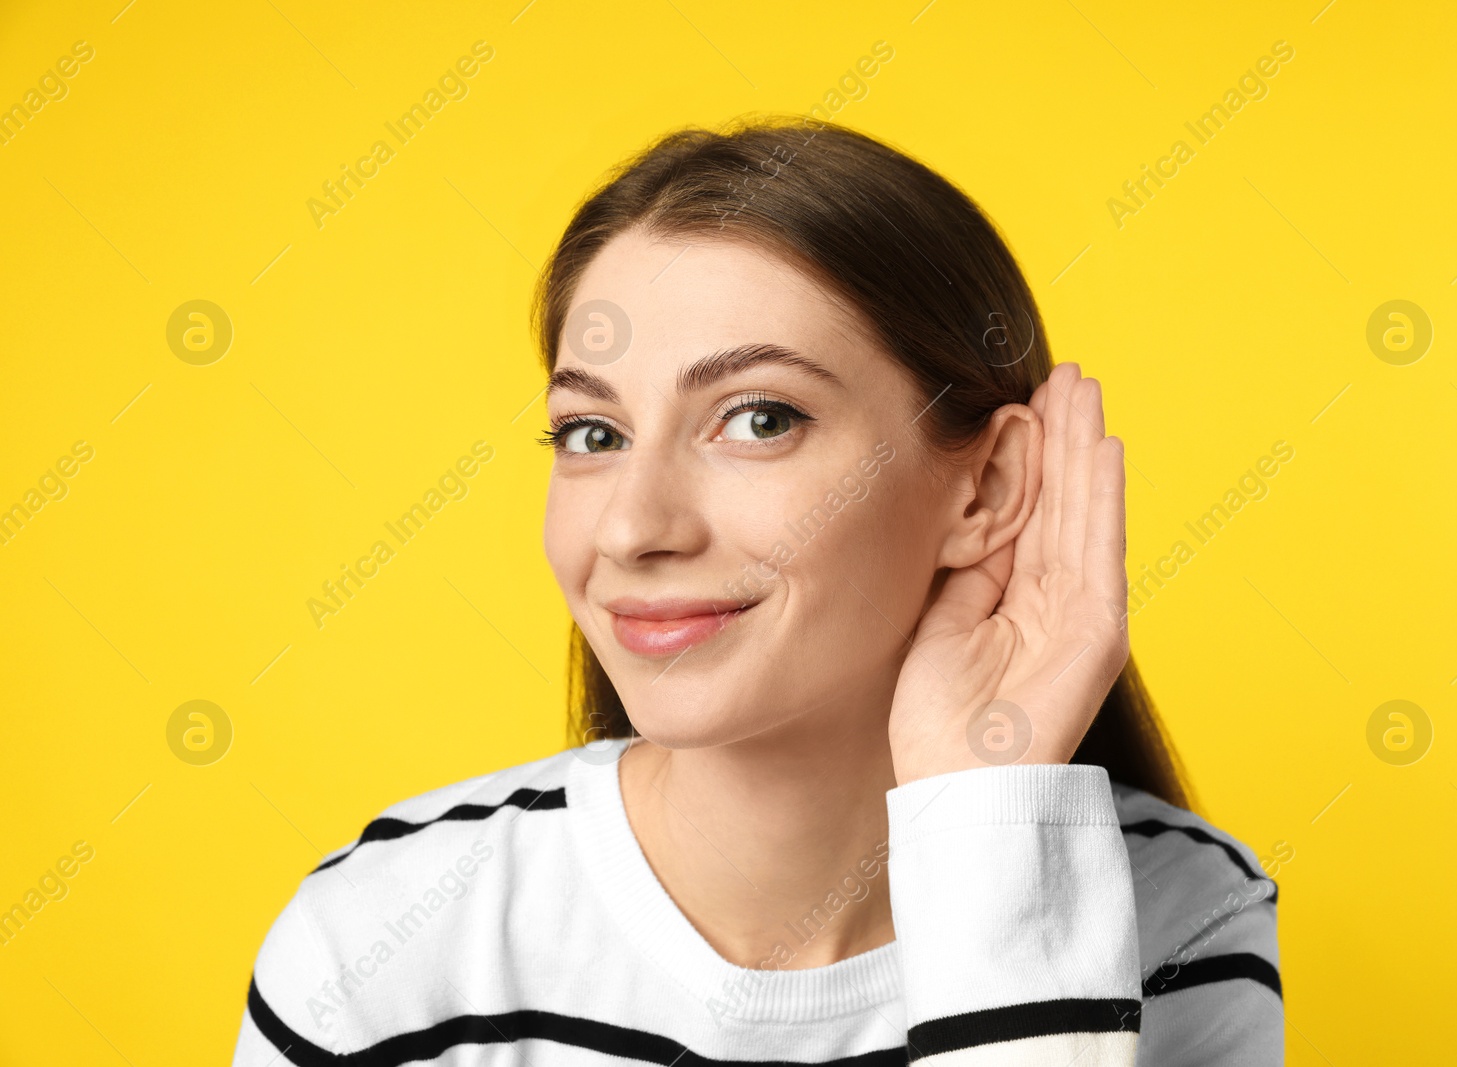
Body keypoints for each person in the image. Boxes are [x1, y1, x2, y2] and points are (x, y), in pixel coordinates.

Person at [232, 117, 1283, 1066]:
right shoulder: (386, 934)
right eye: (592, 434)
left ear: (988, 485)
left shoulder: (1182, 918)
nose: (636, 527)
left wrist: (988, 825)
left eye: (759, 418)